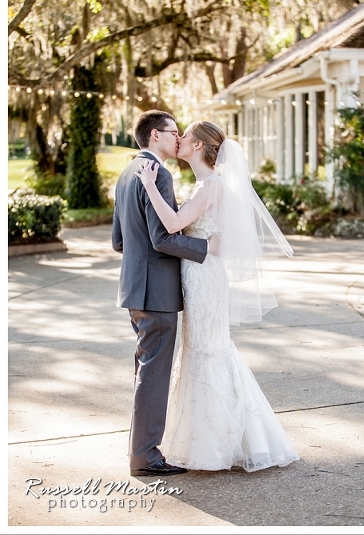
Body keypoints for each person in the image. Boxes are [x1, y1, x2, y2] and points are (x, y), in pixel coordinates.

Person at [134, 120, 299, 473]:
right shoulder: (202, 185)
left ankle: (220, 443)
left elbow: (174, 225)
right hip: (196, 275)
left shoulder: (210, 187)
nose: (177, 140)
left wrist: (149, 185)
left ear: (197, 147)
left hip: (204, 279)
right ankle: (206, 439)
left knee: (209, 351)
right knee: (202, 351)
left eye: (184, 137)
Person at [112, 110, 209, 477]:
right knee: (153, 375)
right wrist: (205, 248)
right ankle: (146, 458)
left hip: (134, 289)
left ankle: (139, 451)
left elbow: (118, 240)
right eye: (173, 132)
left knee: (144, 371)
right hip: (158, 293)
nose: (179, 138)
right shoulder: (160, 176)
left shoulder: (126, 173)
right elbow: (162, 238)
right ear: (155, 136)